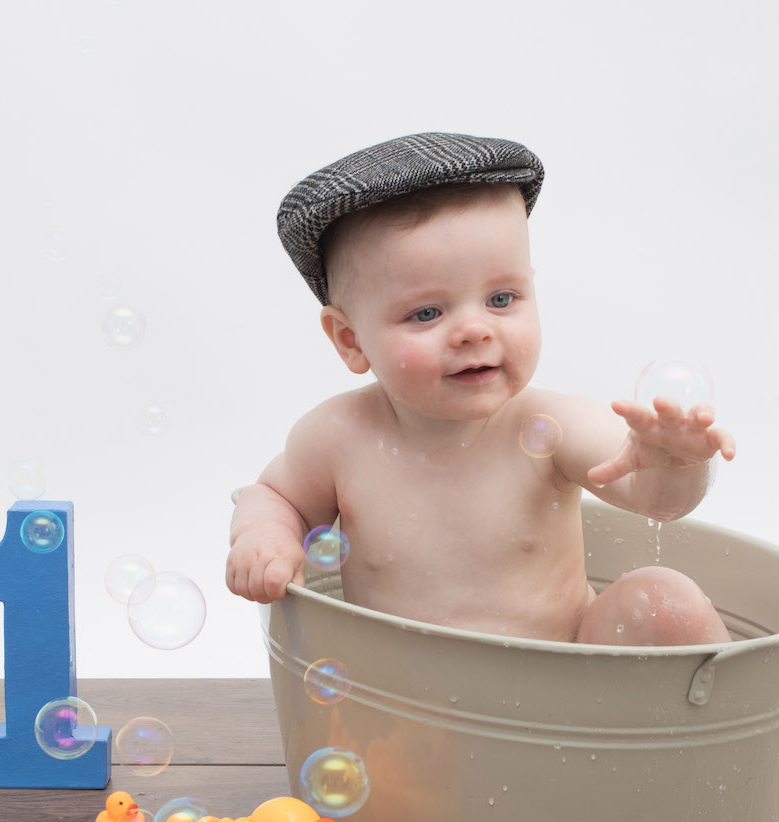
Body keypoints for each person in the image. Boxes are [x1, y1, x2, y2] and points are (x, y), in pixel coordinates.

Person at [226, 132, 735, 646]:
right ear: (351, 340)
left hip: (572, 683)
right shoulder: (337, 438)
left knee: (666, 598)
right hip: (403, 695)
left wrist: (672, 462)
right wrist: (265, 536)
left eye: (501, 298)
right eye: (426, 313)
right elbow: (272, 494)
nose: (474, 330)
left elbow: (651, 496)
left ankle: (716, 716)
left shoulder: (554, 425)